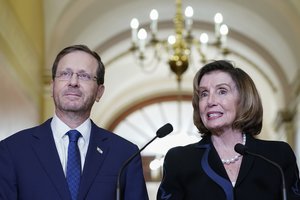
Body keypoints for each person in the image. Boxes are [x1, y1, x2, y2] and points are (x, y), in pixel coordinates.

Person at [0, 44, 149, 200]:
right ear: (52, 87)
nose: (73, 82)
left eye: (84, 75)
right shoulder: (12, 150)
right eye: (65, 74)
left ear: (99, 92)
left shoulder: (125, 154)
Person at [157, 60, 300, 200]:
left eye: (222, 91)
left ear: (243, 99)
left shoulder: (277, 157)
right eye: (204, 94)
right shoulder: (179, 160)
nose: (210, 101)